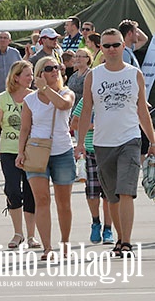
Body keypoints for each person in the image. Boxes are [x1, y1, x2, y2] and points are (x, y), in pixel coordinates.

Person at [75, 28, 155, 258]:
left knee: (126, 191)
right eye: (107, 45)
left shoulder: (134, 74)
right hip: (102, 143)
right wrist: (80, 142)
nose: (111, 50)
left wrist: (152, 139)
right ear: (100, 48)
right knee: (112, 196)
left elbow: (142, 110)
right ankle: (119, 239)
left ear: (124, 46)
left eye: (116, 45)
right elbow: (87, 109)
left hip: (130, 139)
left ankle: (127, 242)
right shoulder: (94, 75)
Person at [15, 56, 75, 258]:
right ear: (40, 73)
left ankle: (65, 243)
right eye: (49, 68)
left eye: (57, 67)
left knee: (63, 202)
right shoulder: (30, 100)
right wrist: (20, 152)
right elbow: (24, 128)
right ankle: (47, 247)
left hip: (62, 151)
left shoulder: (66, 93)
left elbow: (63, 105)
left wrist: (46, 89)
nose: (54, 71)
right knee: (41, 199)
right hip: (37, 152)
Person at [0, 61, 39, 249]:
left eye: (31, 74)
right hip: (9, 150)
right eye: (27, 75)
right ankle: (18, 233)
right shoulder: (2, 99)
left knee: (31, 192)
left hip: (32, 150)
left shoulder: (35, 97)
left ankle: (32, 235)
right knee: (13, 190)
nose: (30, 78)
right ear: (16, 77)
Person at [70, 89, 114, 246]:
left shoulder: (112, 100)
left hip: (109, 149)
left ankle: (108, 228)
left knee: (108, 193)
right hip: (91, 150)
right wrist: (92, 126)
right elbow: (74, 123)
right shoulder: (86, 101)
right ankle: (96, 222)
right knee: (92, 192)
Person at [0, 31, 22, 96]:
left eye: (5, 38)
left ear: (9, 41)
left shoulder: (15, 53)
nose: (2, 40)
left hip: (13, 89)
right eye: (0, 38)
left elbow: (21, 68)